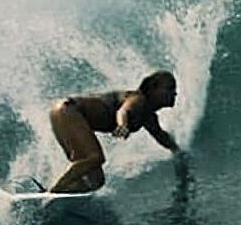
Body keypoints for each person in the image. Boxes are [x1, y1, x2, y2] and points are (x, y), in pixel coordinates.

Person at [46, 70, 180, 194]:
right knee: (95, 157)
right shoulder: (138, 99)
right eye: (169, 88)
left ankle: (58, 191)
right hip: (68, 110)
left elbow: (161, 136)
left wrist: (179, 150)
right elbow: (123, 111)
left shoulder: (148, 117)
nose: (174, 93)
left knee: (95, 182)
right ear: (153, 89)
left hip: (65, 113)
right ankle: (54, 190)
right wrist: (123, 125)